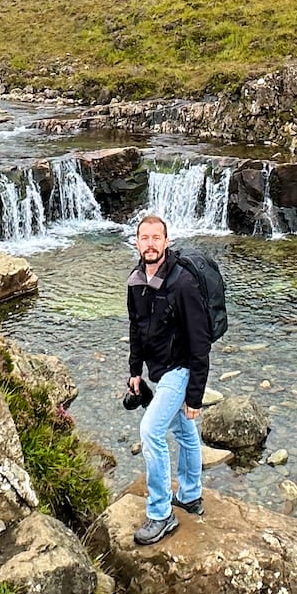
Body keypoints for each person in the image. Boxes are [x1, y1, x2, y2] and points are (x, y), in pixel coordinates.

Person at [125, 212, 210, 545]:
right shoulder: (135, 280)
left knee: (150, 430)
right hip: (158, 371)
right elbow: (136, 329)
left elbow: (200, 341)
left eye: (156, 238)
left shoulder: (183, 283)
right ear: (137, 242)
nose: (150, 244)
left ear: (166, 241)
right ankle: (190, 494)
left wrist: (195, 396)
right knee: (184, 432)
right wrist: (135, 371)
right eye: (144, 238)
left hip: (181, 370)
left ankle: (161, 514)